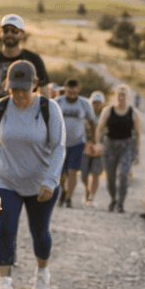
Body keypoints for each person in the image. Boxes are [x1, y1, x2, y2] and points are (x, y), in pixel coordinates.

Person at [0, 61, 65, 289]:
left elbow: (59, 148)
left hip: (41, 184)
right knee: (6, 230)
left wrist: (50, 181)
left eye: (23, 89)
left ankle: (42, 274)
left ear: (35, 85)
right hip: (7, 180)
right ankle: (5, 284)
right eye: (14, 89)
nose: (19, 95)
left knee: (39, 232)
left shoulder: (49, 108)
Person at [0, 13, 45, 266]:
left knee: (20, 191)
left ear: (22, 34)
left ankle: (9, 244)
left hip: (26, 133)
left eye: (15, 30)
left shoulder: (33, 61)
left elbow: (46, 96)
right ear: (0, 32)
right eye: (6, 29)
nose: (10, 34)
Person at [97, 84, 143, 213]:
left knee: (123, 175)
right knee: (110, 177)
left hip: (127, 147)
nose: (121, 97)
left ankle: (120, 203)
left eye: (124, 95)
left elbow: (138, 134)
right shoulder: (108, 111)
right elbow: (100, 128)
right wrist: (98, 143)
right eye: (119, 95)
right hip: (110, 146)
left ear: (127, 97)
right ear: (116, 96)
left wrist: (137, 153)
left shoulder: (133, 113)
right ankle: (113, 199)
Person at [55, 78, 98, 208]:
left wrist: (93, 139)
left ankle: (68, 198)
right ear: (65, 90)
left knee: (72, 172)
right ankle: (63, 191)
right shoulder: (58, 102)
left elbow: (91, 121)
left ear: (78, 90)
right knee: (61, 173)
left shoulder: (84, 103)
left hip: (77, 143)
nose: (72, 95)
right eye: (69, 92)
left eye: (74, 92)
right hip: (60, 143)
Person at [81, 90, 106, 206]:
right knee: (84, 174)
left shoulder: (105, 117)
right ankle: (87, 191)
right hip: (86, 148)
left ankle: (91, 198)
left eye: (98, 103)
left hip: (100, 149)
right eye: (94, 102)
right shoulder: (85, 115)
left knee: (96, 174)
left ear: (102, 104)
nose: (96, 105)